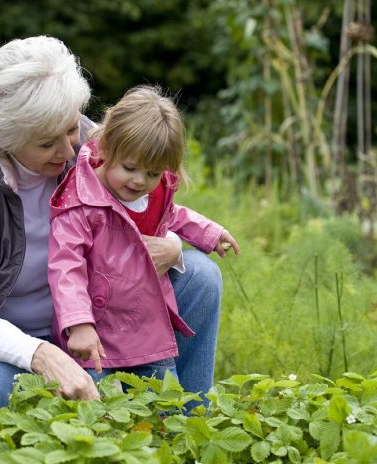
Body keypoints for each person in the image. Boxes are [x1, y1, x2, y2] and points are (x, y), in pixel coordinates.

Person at [0, 36, 225, 436]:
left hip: (87, 317)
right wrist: (42, 354)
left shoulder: (93, 144)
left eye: (72, 128)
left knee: (199, 275)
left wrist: (174, 245)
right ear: (4, 141)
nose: (68, 149)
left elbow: (151, 204)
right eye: (45, 142)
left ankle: (188, 432)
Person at [48, 86, 239, 383]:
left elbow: (173, 214)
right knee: (97, 416)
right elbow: (65, 266)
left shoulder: (154, 192)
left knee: (164, 409)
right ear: (107, 148)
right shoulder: (80, 201)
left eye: (153, 174)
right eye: (130, 168)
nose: (139, 181)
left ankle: (190, 422)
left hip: (147, 330)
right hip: (95, 335)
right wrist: (78, 324)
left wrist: (210, 232)